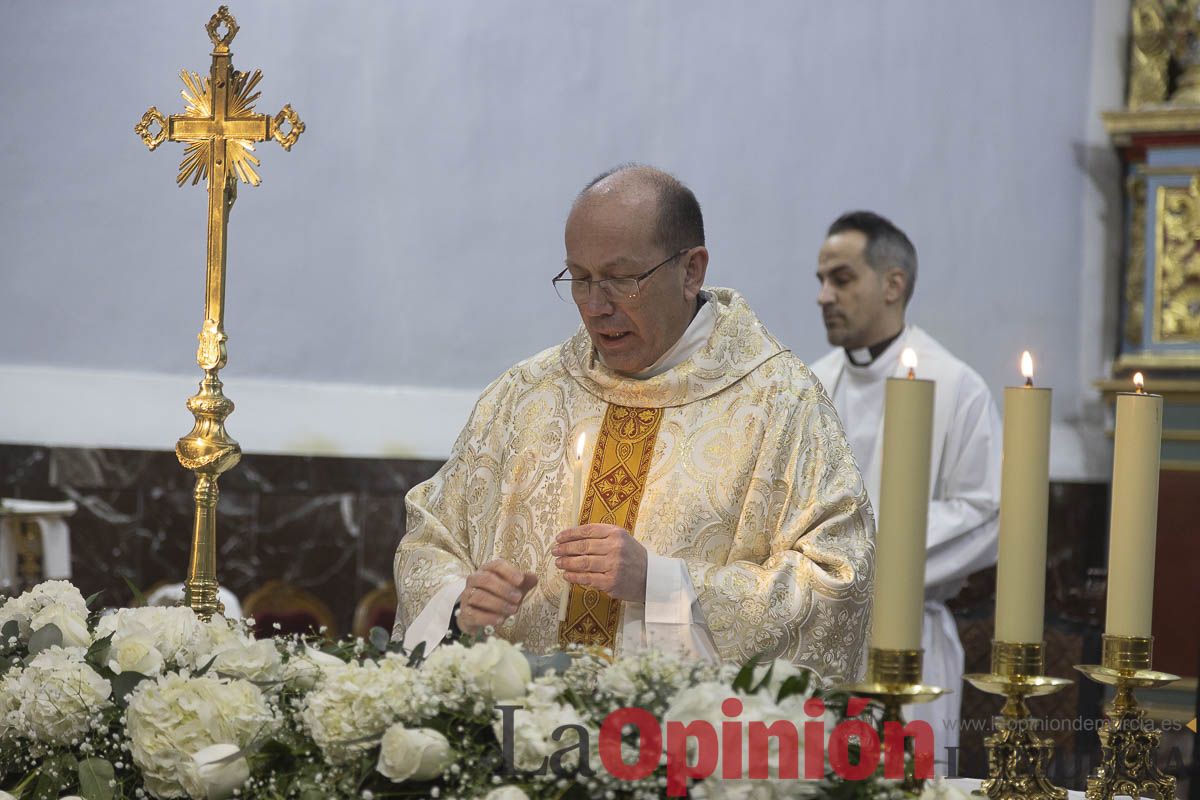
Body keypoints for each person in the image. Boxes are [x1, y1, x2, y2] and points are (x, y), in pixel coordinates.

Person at [393, 165, 875, 681]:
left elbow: (836, 580)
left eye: (622, 280)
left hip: (682, 727)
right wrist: (461, 602)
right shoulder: (524, 395)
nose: (595, 307)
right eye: (580, 279)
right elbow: (430, 540)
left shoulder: (781, 403)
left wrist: (662, 584)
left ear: (691, 271)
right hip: (520, 720)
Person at [809, 210, 1001, 757]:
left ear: (893, 285)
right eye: (821, 280)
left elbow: (986, 514)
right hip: (818, 636)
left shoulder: (956, 386)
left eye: (841, 279)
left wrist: (863, 551)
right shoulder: (813, 382)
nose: (824, 296)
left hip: (910, 642)